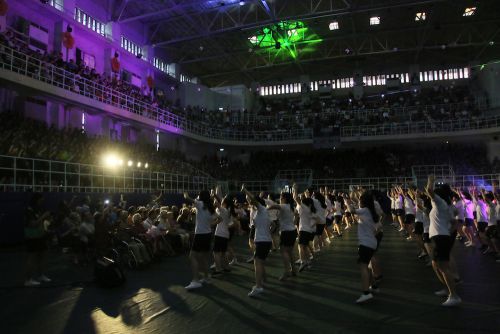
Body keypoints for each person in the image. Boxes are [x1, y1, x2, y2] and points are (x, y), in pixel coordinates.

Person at [425, 175, 461, 306]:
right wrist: (449, 232)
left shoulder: (439, 202)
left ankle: (454, 295)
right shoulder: (444, 206)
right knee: (436, 264)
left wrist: (431, 180)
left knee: (443, 267)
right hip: (441, 237)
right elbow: (454, 221)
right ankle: (447, 289)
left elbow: (429, 190)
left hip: (441, 238)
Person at [241, 184, 272, 297]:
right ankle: (264, 281)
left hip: (262, 241)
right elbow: (272, 225)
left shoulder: (262, 209)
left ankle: (258, 287)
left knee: (257, 263)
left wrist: (245, 190)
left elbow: (253, 199)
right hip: (265, 240)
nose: (250, 203)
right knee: (261, 262)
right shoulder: (262, 211)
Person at [184, 191, 219, 290]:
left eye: (199, 195)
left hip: (200, 235)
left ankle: (195, 281)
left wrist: (185, 194)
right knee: (204, 257)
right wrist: (211, 224)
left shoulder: (200, 204)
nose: (198, 196)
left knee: (192, 256)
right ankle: (207, 278)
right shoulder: (211, 208)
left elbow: (187, 197)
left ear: (202, 197)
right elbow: (219, 219)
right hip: (208, 235)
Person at [349, 191, 379, 304]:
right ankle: (373, 285)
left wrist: (349, 202)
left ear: (363, 202)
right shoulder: (371, 211)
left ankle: (366, 293)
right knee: (368, 266)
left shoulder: (365, 210)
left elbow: (351, 211)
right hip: (371, 242)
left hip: (366, 243)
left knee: (363, 267)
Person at [268, 192, 298, 280]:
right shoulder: (292, 207)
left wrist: (266, 209)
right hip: (292, 231)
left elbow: (275, 206)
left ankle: (287, 272)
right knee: (290, 251)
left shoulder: (284, 206)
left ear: (284, 198)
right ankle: (294, 270)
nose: (280, 199)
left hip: (286, 232)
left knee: (283, 251)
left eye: (281, 197)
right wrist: (293, 223)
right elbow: (297, 215)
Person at [24, 193, 52, 287]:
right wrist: (44, 216)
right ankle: (28, 280)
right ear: (37, 199)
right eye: (41, 200)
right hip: (32, 237)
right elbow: (33, 224)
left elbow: (40, 222)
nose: (42, 202)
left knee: (42, 256)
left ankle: (41, 275)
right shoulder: (29, 210)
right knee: (32, 258)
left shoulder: (37, 209)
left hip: (40, 236)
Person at [293, 184, 317, 272]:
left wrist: (295, 188)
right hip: (309, 231)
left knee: (301, 246)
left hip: (303, 230)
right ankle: (308, 262)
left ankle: (303, 262)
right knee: (305, 246)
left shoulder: (304, 207)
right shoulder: (310, 210)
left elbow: (296, 198)